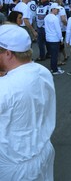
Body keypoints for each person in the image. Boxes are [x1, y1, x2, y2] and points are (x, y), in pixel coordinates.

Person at [0, 24, 56, 180]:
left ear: (8, 53)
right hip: (43, 150)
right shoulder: (42, 71)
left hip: (15, 164)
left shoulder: (5, 87)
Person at [44, 3, 64, 75]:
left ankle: (53, 67)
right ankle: (54, 70)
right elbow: (58, 30)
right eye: (57, 9)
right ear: (53, 9)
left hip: (48, 38)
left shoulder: (46, 17)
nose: (58, 11)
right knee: (55, 55)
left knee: (52, 54)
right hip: (55, 39)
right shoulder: (55, 18)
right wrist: (61, 38)